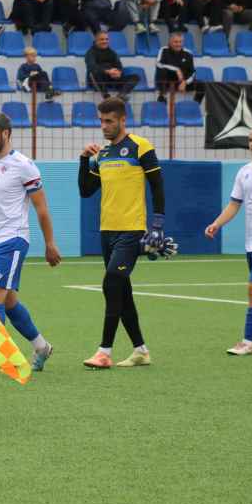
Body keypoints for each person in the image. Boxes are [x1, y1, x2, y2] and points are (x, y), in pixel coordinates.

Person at [78, 97, 166, 369]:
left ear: (123, 120)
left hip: (132, 230)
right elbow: (86, 191)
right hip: (107, 231)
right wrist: (84, 160)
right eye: (101, 121)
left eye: (109, 121)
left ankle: (104, 351)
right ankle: (141, 350)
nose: (104, 126)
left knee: (111, 283)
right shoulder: (102, 154)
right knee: (121, 290)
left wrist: (157, 225)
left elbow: (157, 185)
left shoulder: (141, 146)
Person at [0, 112, 60, 376]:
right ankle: (41, 346)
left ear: (6, 133)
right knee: (9, 301)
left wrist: (49, 243)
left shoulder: (24, 165)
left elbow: (41, 209)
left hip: (12, 239)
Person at [204, 126, 252, 356]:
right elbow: (234, 204)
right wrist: (217, 223)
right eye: (250, 140)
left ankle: (247, 342)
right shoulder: (244, 172)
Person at [85, 30, 140, 100]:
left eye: (106, 39)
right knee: (94, 73)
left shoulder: (112, 52)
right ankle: (106, 97)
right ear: (96, 41)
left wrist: (118, 72)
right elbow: (92, 67)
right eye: (102, 39)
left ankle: (121, 95)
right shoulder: (90, 53)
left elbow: (119, 66)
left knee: (135, 77)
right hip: (99, 80)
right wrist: (108, 71)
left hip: (112, 79)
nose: (105, 41)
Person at [155, 32, 204, 103]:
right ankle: (162, 96)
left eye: (180, 42)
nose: (178, 44)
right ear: (170, 42)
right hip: (168, 82)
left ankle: (195, 105)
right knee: (162, 70)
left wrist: (185, 82)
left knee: (202, 85)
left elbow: (192, 72)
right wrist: (176, 70)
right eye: (176, 42)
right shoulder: (163, 50)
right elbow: (158, 64)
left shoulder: (188, 53)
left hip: (181, 82)